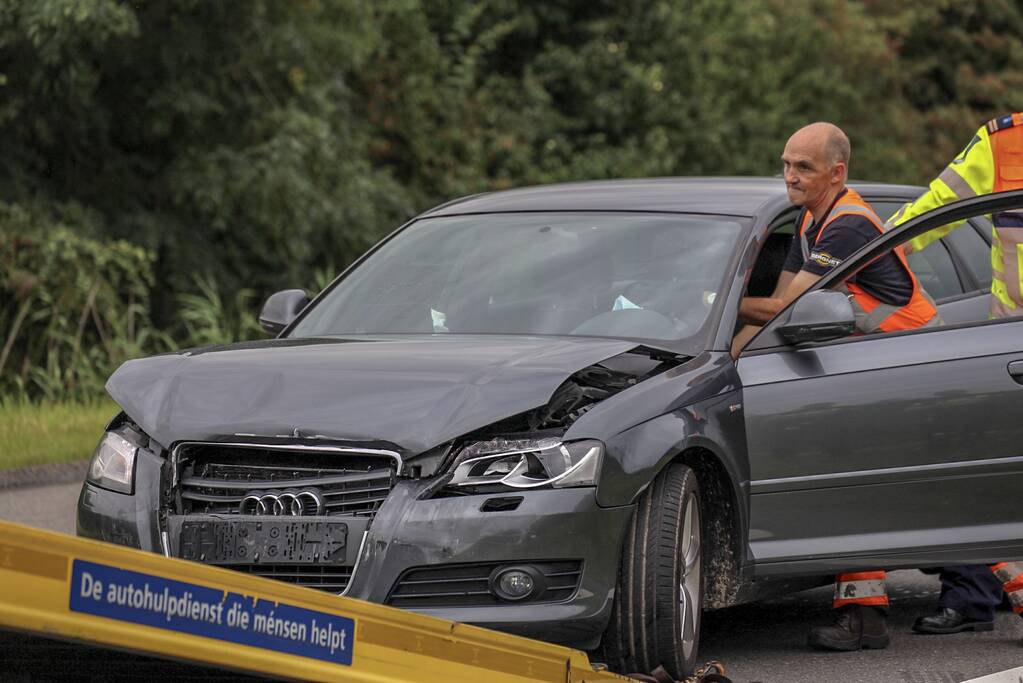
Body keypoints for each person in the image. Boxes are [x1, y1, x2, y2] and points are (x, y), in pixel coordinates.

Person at [734, 121, 940, 652]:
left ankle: (867, 616)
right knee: (870, 486)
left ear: (836, 172)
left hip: (915, 364)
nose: (790, 176)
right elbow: (781, 310)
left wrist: (713, 305)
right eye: (786, 164)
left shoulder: (847, 225)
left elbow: (785, 309)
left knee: (912, 493)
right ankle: (864, 616)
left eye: (803, 167)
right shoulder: (810, 219)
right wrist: (732, 353)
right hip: (879, 365)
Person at [884, 112, 1023, 634]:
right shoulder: (1005, 141)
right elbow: (936, 209)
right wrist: (868, 251)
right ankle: (971, 597)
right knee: (976, 471)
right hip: (1010, 345)